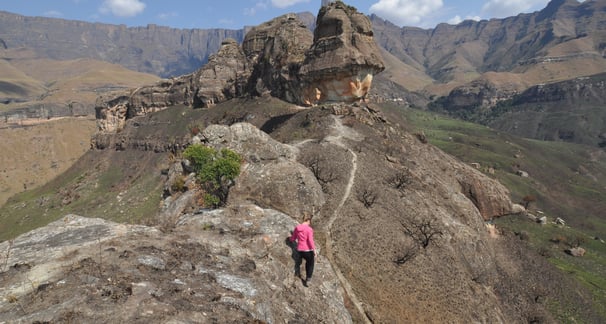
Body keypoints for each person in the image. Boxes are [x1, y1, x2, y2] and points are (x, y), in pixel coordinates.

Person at [290, 213, 317, 286]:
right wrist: (314, 250)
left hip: (299, 250)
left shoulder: (297, 227)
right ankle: (308, 279)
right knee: (310, 264)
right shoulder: (309, 229)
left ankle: (297, 273)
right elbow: (310, 240)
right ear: (308, 220)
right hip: (307, 250)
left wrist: (290, 239)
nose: (310, 223)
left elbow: (293, 238)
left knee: (300, 262)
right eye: (310, 222)